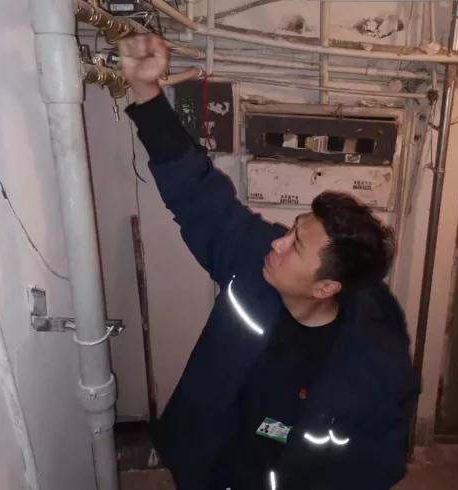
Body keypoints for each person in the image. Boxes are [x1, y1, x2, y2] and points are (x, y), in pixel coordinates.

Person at [119, 33, 419, 490]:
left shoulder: (374, 365)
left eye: (295, 246)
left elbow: (377, 467)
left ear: (325, 287)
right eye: (292, 230)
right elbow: (199, 196)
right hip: (207, 469)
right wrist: (146, 92)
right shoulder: (255, 261)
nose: (277, 243)